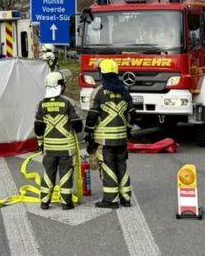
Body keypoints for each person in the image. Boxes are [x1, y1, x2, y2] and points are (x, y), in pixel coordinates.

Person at [84, 59, 135, 209]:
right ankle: (126, 198)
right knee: (122, 166)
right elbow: (133, 114)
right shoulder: (124, 91)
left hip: (105, 140)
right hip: (121, 139)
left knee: (108, 167)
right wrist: (128, 130)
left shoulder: (99, 92)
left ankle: (110, 200)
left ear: (102, 74)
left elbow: (92, 117)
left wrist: (89, 136)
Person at [34, 71, 83, 210]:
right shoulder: (67, 103)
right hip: (66, 149)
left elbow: (38, 127)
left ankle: (44, 202)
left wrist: (40, 143)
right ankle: (66, 203)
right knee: (66, 175)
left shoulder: (41, 104)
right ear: (60, 86)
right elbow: (77, 125)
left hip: (49, 148)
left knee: (48, 174)